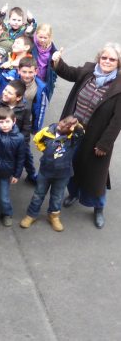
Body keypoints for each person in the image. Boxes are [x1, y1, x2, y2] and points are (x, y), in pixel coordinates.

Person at [54, 43, 121, 228]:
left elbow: (117, 121)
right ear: (99, 58)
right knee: (72, 165)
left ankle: (98, 207)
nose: (107, 61)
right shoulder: (88, 71)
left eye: (112, 59)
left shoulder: (119, 86)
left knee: (96, 175)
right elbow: (68, 72)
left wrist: (104, 144)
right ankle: (74, 194)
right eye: (104, 57)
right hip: (73, 131)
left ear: (118, 63)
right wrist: (57, 60)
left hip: (97, 138)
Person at [20, 116, 84, 232]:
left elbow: (81, 132)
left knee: (57, 196)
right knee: (38, 194)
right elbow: (37, 140)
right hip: (45, 171)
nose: (64, 125)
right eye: (64, 121)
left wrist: (77, 126)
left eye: (68, 126)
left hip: (63, 174)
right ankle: (31, 214)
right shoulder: (47, 131)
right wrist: (44, 150)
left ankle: (53, 216)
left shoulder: (73, 138)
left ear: (72, 129)